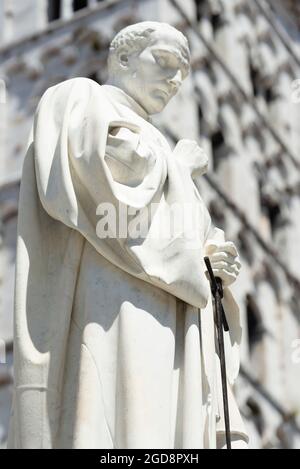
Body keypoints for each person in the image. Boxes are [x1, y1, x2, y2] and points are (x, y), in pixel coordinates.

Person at [8, 21, 248, 449]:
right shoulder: (79, 97)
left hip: (171, 324)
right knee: (118, 424)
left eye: (182, 72)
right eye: (165, 62)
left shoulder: (161, 152)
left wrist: (212, 261)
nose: (174, 81)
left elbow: (186, 245)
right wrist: (177, 167)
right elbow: (105, 181)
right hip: (113, 306)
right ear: (121, 59)